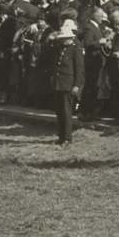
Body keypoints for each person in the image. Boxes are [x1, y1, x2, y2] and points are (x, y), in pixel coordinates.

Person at [46, 13, 83, 145]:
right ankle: (61, 136)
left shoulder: (75, 49)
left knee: (67, 112)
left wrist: (77, 85)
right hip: (58, 83)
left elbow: (79, 70)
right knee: (59, 111)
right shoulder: (60, 48)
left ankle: (67, 137)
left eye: (66, 38)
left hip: (68, 84)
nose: (63, 40)